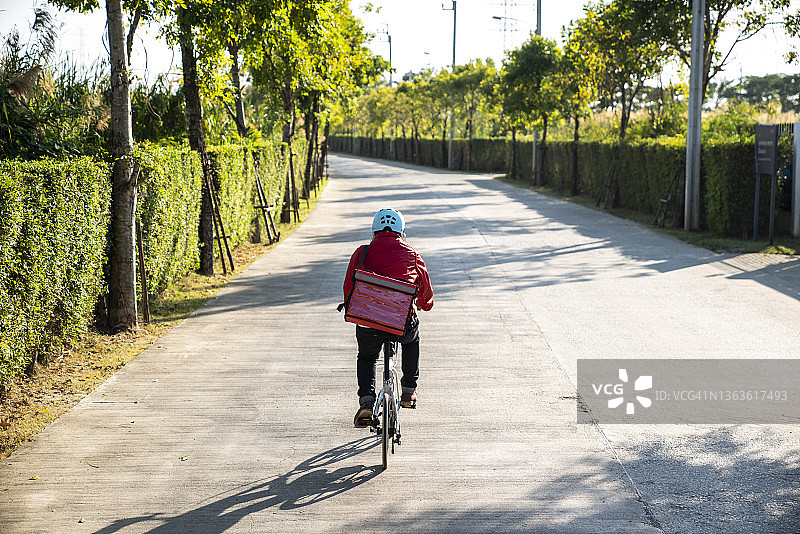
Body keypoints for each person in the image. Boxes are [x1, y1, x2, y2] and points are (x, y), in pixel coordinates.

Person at [343, 208, 434, 428]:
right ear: (402, 232)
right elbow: (425, 293)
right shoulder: (412, 254)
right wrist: (423, 305)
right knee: (412, 340)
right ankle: (408, 392)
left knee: (367, 357)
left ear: (374, 231)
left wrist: (352, 306)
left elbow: (349, 287)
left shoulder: (362, 253)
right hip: (401, 323)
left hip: (368, 321)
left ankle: (366, 401)